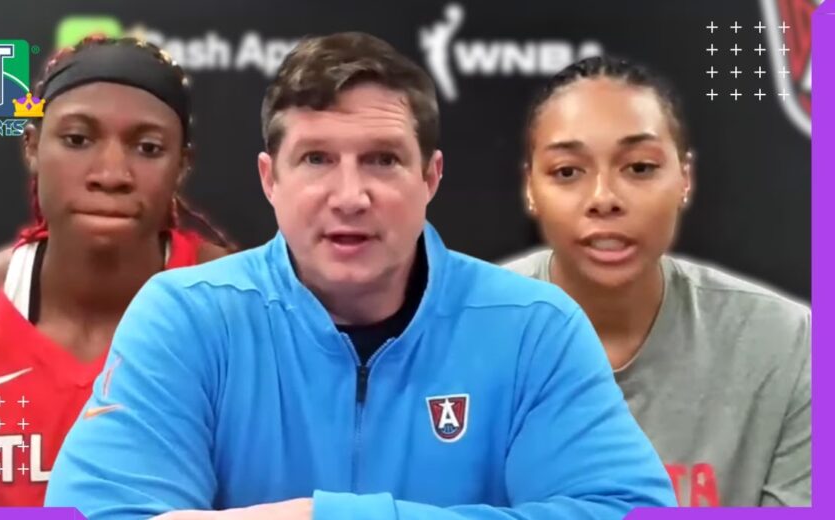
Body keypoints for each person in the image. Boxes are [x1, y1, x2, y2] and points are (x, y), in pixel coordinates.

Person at [44, 32, 676, 519]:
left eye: (382, 160)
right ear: (270, 180)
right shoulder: (186, 316)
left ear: (430, 178)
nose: (350, 196)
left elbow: (627, 512)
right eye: (316, 159)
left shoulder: (534, 329)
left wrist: (332, 517)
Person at [0, 35, 231, 507]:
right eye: (77, 140)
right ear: (32, 146)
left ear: (181, 166)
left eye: (148, 148)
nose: (111, 175)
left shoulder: (237, 307)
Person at [503, 56, 811, 507]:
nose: (604, 198)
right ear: (530, 187)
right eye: (568, 171)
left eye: (640, 167)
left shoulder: (786, 344)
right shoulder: (464, 333)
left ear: (685, 178)